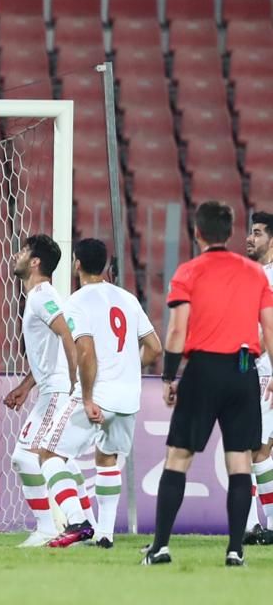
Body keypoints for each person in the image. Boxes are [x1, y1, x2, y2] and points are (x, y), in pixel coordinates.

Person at [145, 201, 273, 567]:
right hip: (243, 371)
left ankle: (160, 548)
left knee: (178, 458)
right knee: (240, 462)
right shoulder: (255, 274)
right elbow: (269, 327)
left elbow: (176, 330)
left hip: (202, 370)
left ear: (198, 232)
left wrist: (170, 376)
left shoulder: (188, 272)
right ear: (231, 231)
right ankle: (235, 550)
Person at [31, 239, 161, 549]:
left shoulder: (76, 302)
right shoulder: (128, 299)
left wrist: (87, 397)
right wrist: (128, 367)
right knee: (107, 459)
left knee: (48, 454)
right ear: (104, 265)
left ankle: (78, 521)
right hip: (128, 398)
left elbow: (85, 352)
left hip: (98, 394)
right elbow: (155, 347)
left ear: (76, 264)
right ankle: (105, 534)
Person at [2, 234, 80, 548]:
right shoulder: (38, 296)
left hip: (57, 391)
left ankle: (48, 528)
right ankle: (88, 528)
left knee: (24, 457)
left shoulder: (41, 296)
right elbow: (47, 351)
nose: (16, 255)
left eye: (22, 251)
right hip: (51, 388)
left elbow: (68, 335)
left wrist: (74, 383)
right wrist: (24, 385)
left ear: (35, 262)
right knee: (61, 461)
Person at [242, 211, 273, 546]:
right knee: (258, 450)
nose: (250, 238)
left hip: (263, 372)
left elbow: (267, 328)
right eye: (250, 232)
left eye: (258, 233)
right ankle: (252, 524)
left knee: (256, 450)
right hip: (260, 370)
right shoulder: (256, 274)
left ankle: (258, 525)